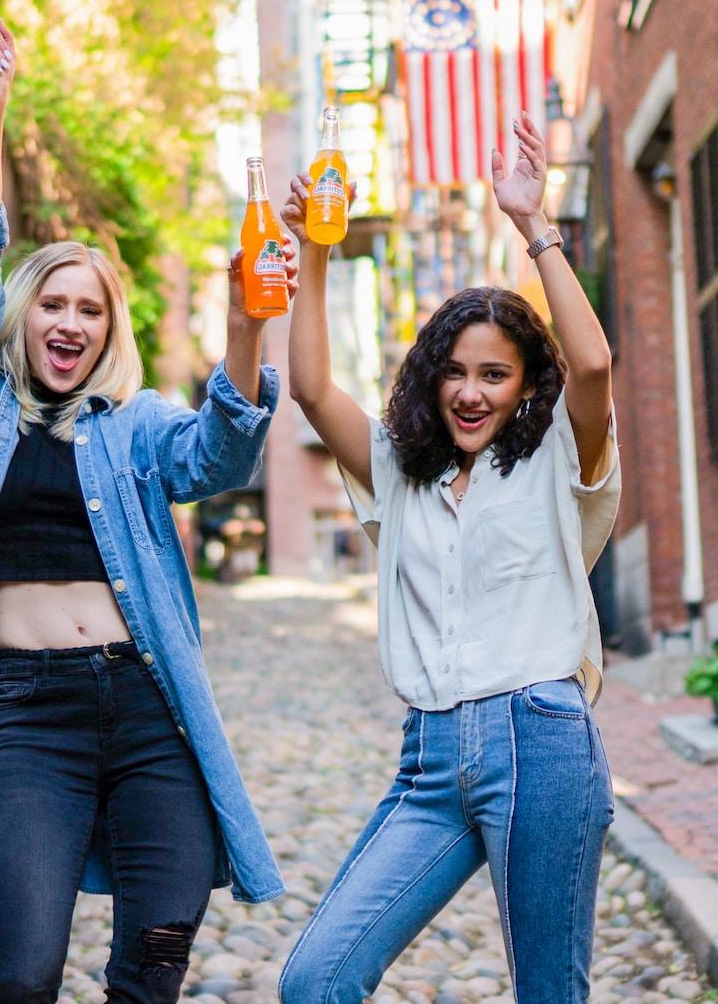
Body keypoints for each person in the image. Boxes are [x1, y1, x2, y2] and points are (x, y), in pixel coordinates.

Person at [0, 20, 290, 1003]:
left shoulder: (133, 426)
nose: (71, 324)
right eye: (54, 304)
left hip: (148, 714)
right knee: (23, 975)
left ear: (107, 331)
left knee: (156, 961)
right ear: (24, 318)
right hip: (32, 722)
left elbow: (219, 449)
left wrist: (245, 317)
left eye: (91, 311)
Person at [276, 113, 621, 1003]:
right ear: (432, 376)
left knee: (551, 993)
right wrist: (317, 247)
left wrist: (533, 225)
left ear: (522, 387)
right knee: (317, 980)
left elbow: (591, 365)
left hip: (540, 741)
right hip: (429, 757)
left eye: (495, 374)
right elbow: (311, 390)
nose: (471, 391)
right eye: (456, 372)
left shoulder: (555, 460)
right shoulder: (401, 474)